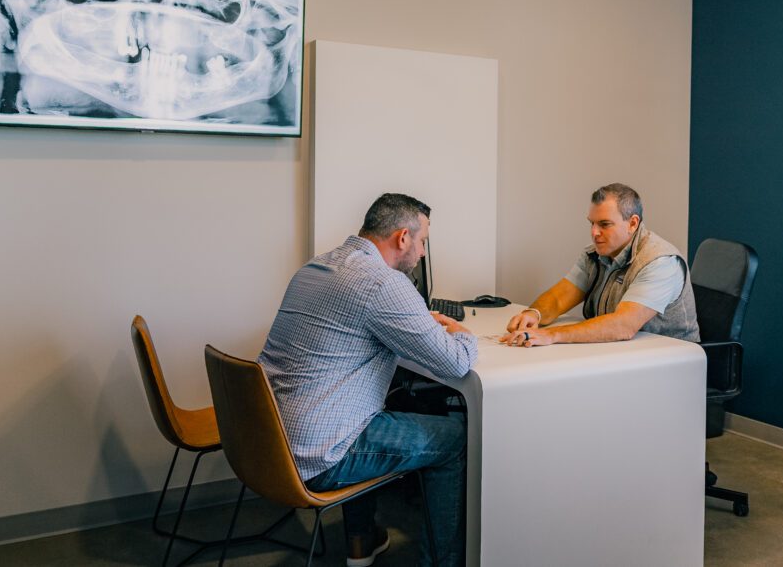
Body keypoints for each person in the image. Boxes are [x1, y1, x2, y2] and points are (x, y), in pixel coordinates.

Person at [258, 193, 476, 567]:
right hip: (316, 455)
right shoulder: (383, 284)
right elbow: (455, 363)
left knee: (375, 406)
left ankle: (361, 541)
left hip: (267, 437)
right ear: (403, 238)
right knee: (456, 437)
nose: (422, 253)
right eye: (422, 241)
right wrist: (460, 331)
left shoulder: (316, 266)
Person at [502, 182, 700, 347]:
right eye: (592, 223)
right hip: (622, 355)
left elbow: (623, 325)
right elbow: (558, 298)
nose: (594, 233)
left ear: (632, 223)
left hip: (672, 362)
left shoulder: (660, 262)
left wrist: (552, 335)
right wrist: (534, 314)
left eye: (604, 225)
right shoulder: (594, 254)